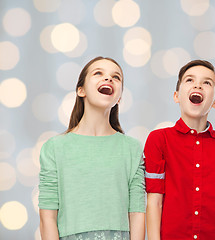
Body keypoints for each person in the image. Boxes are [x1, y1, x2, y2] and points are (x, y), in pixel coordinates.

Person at [38, 56, 145, 240]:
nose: (108, 79)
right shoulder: (54, 148)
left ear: (119, 97)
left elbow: (137, 214)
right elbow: (47, 217)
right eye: (98, 73)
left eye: (116, 77)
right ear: (81, 90)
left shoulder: (132, 149)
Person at [144, 60, 215, 240]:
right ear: (176, 96)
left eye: (207, 82)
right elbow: (154, 201)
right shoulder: (158, 140)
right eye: (189, 80)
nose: (198, 84)